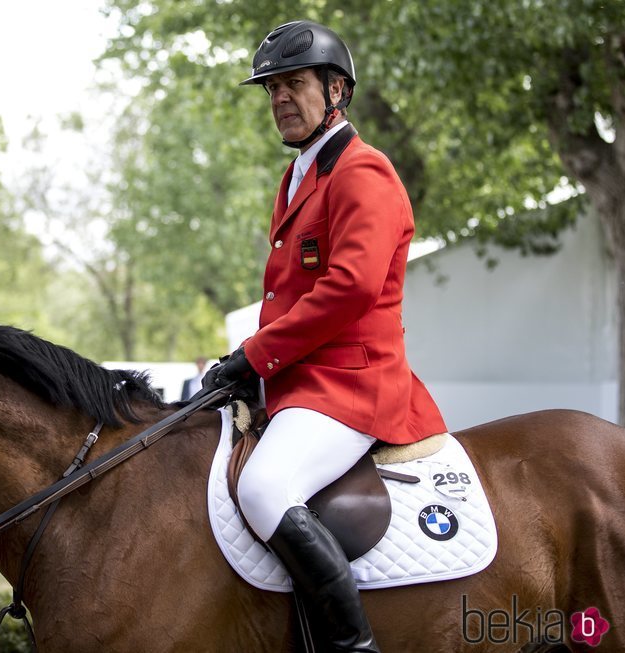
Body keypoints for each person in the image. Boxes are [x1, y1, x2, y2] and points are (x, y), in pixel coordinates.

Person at [201, 20, 447, 653]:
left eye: (294, 83)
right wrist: (250, 371)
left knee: (262, 486)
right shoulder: (298, 178)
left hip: (353, 385)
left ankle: (352, 645)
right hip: (300, 380)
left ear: (336, 89)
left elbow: (349, 289)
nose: (280, 98)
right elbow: (287, 296)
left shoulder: (365, 173)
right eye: (271, 88)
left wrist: (254, 357)